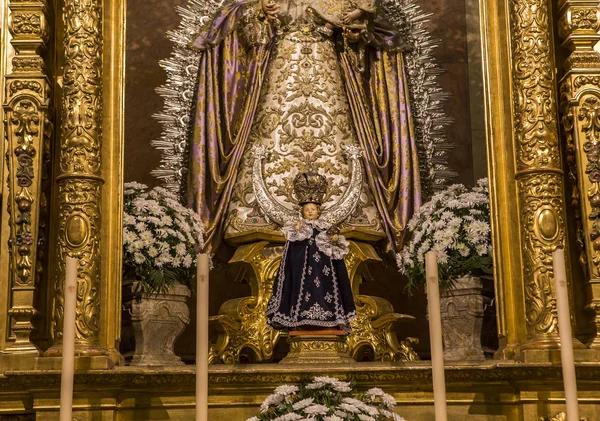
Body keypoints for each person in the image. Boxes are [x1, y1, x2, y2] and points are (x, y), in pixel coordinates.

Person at [186, 0, 422, 254]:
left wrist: (352, 27)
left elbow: (358, 33)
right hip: (282, 68)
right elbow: (245, 24)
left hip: (326, 69)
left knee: (338, 139)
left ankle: (344, 217)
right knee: (271, 134)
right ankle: (258, 217)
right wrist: (260, 13)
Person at [266, 172, 357, 332]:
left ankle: (331, 317)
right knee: (302, 291)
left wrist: (334, 240)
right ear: (302, 211)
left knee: (326, 290)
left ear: (318, 211)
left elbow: (334, 252)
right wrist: (298, 234)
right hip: (303, 272)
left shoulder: (325, 228)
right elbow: (291, 255)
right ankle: (299, 318)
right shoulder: (297, 230)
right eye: (307, 209)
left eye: (313, 209)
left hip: (323, 272)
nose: (309, 212)